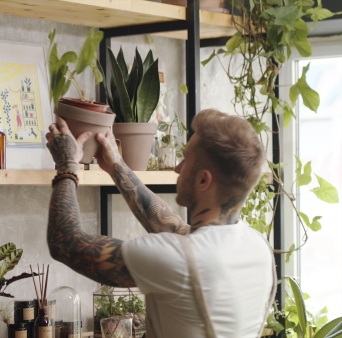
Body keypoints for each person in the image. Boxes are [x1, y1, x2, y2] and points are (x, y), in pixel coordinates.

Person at [45, 109, 276, 337]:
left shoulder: (179, 258)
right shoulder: (258, 247)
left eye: (186, 160)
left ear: (204, 179)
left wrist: (67, 166)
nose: (177, 168)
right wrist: (117, 166)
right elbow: (175, 228)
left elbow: (65, 243)